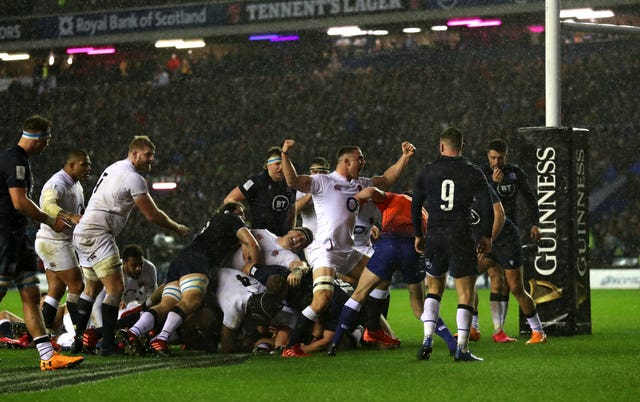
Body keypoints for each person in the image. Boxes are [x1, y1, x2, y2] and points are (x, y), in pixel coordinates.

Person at [280, 138, 416, 357]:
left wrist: (405, 158)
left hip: (347, 250)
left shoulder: (361, 183)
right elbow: (293, 181)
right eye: (359, 158)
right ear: (346, 161)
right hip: (325, 250)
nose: (363, 161)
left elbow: (386, 179)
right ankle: (292, 346)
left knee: (381, 275)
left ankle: (373, 331)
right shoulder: (322, 181)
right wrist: (285, 155)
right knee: (322, 299)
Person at [72, 135, 190, 355]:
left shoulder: (114, 167)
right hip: (98, 233)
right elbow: (152, 215)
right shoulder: (133, 177)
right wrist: (177, 227)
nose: (151, 160)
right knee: (116, 289)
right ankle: (107, 344)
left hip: (83, 232)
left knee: (91, 289)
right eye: (148, 155)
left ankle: (78, 341)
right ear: (134, 153)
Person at [328, 188, 458, 356]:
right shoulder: (423, 212)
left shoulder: (394, 198)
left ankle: (335, 343)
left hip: (389, 246)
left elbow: (370, 191)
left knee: (359, 295)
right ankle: (451, 343)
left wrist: (355, 201)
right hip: (413, 250)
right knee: (420, 308)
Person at [120, 201, 261, 357]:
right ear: (230, 211)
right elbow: (252, 243)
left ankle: (133, 332)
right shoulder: (231, 219)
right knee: (193, 299)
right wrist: (253, 268)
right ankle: (162, 338)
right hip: (198, 260)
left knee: (167, 304)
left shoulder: (213, 225)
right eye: (241, 212)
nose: (243, 216)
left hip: (181, 259)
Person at [0, 115, 84, 370]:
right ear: (41, 138)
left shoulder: (17, 158)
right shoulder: (15, 160)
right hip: (5, 236)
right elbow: (19, 202)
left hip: (17, 236)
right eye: (47, 141)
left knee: (30, 294)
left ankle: (48, 357)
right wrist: (50, 219)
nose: (47, 146)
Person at [411, 127, 494, 362]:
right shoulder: (473, 171)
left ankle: (427, 339)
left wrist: (419, 234)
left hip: (435, 235)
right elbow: (487, 205)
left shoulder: (428, 170)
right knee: (465, 293)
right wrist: (486, 236)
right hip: (460, 235)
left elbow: (415, 205)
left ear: (440, 146)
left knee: (433, 290)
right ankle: (462, 349)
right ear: (462, 147)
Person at [481, 138, 542, 341]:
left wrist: (535, 222)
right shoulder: (481, 173)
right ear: (487, 156)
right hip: (488, 233)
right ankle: (494, 331)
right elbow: (478, 199)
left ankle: (537, 330)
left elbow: (530, 198)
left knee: (514, 286)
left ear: (506, 156)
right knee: (492, 280)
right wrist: (492, 183)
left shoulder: (515, 173)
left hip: (508, 235)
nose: (496, 162)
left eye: (500, 157)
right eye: (492, 158)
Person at [474, 188, 547, 345]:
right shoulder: (457, 198)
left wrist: (489, 241)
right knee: (467, 277)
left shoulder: (482, 189)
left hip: (506, 240)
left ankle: (538, 332)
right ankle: (477, 329)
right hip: (485, 241)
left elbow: (500, 216)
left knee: (516, 287)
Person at [35, 149, 91, 337]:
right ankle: (79, 334)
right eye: (84, 164)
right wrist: (69, 215)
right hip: (54, 241)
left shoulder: (75, 184)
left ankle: (46, 333)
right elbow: (47, 206)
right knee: (77, 286)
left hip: (51, 241)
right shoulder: (57, 182)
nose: (88, 168)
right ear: (71, 165)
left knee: (56, 290)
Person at [224, 146, 296, 236]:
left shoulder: (291, 183)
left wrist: (290, 232)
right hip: (260, 238)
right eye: (277, 164)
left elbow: (292, 210)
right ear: (268, 165)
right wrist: (241, 224)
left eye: (283, 164)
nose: (281, 167)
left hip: (281, 239)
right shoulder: (256, 181)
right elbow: (230, 199)